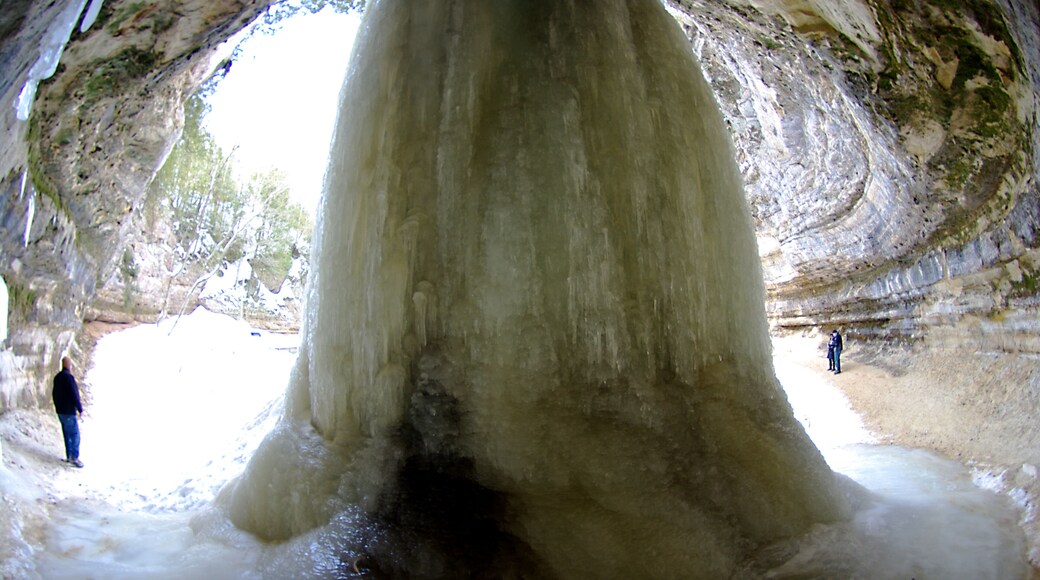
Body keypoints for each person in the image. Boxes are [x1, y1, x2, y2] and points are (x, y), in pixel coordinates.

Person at [52, 356, 84, 468]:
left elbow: (54, 393)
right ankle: (74, 457)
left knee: (66, 434)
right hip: (69, 411)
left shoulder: (57, 377)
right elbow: (74, 394)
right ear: (68, 365)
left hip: (60, 411)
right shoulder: (69, 378)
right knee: (75, 435)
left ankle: (69, 456)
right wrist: (79, 408)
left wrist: (57, 407)